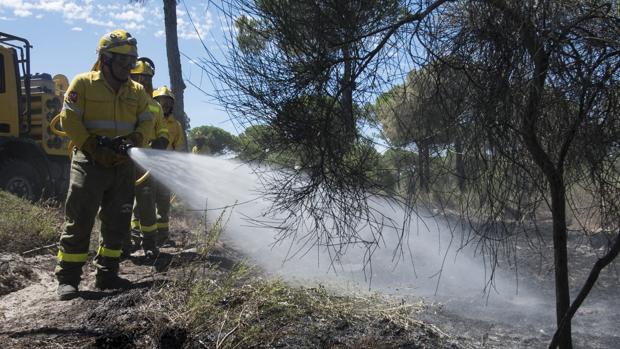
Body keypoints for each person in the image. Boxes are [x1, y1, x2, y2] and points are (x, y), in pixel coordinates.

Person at [55, 29, 154, 300]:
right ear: (105, 59)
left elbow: (147, 121)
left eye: (131, 62)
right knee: (80, 217)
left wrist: (136, 138)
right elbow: (69, 119)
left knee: (118, 221)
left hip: (122, 163)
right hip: (89, 160)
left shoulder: (136, 92)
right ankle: (68, 279)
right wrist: (92, 148)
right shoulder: (83, 84)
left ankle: (107, 274)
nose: (128, 67)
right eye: (123, 61)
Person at [127, 58, 169, 259]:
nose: (142, 81)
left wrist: (161, 139)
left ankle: (150, 244)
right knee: (120, 203)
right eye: (138, 77)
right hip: (123, 159)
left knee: (146, 203)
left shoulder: (155, 106)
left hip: (146, 162)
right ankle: (122, 242)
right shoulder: (123, 101)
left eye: (146, 78)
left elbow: (162, 128)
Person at [152, 86, 185, 246]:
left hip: (165, 170)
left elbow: (178, 147)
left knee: (163, 204)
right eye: (161, 101)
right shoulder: (148, 119)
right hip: (147, 168)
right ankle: (140, 237)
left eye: (167, 102)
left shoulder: (176, 125)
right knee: (142, 204)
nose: (164, 105)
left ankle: (162, 237)